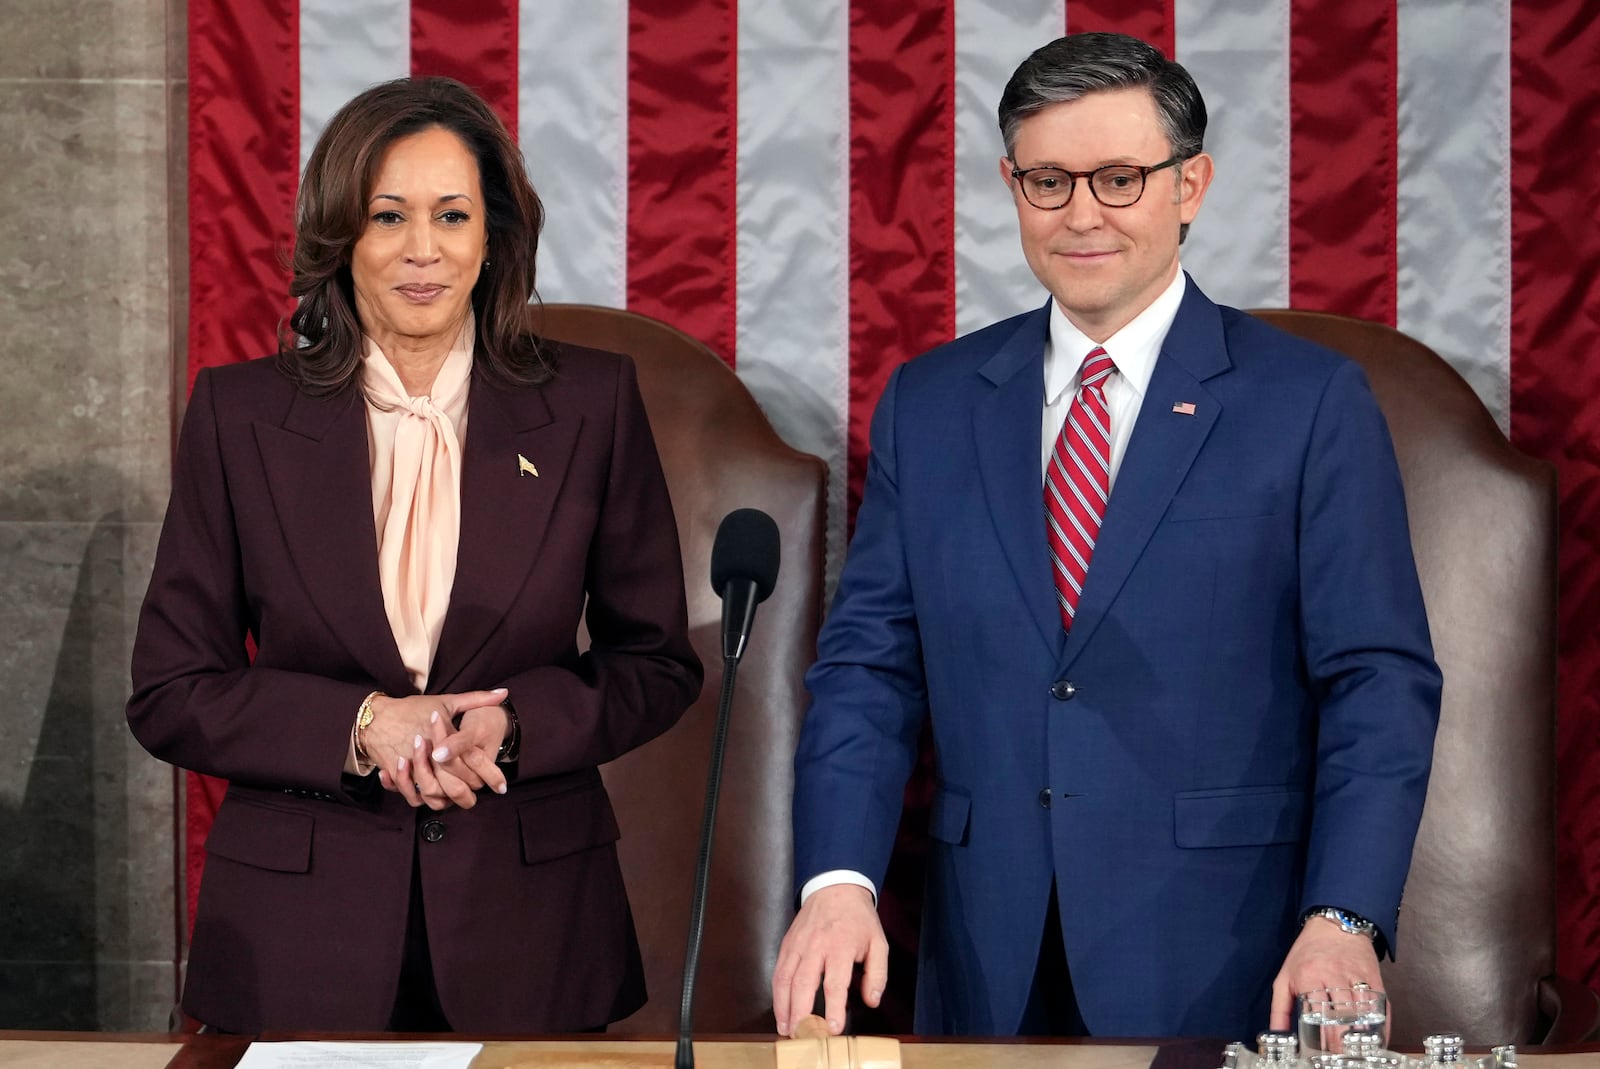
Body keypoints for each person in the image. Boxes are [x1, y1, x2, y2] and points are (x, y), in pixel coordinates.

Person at [772, 32, 1440, 1040]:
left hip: (1223, 949)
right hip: (986, 952)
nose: (1081, 213)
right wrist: (836, 879)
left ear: (1191, 184)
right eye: (1048, 180)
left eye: (1120, 178)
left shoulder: (1306, 405)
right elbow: (869, 666)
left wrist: (1343, 913)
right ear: (1010, 185)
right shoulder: (931, 402)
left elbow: (1377, 681)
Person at [127, 76, 702, 1033]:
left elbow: (655, 664)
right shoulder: (239, 415)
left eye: (453, 214)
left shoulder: (592, 406)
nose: (422, 250)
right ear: (340, 233)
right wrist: (362, 725)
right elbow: (171, 688)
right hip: (296, 937)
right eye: (388, 216)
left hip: (532, 930)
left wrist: (512, 728)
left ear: (494, 236)